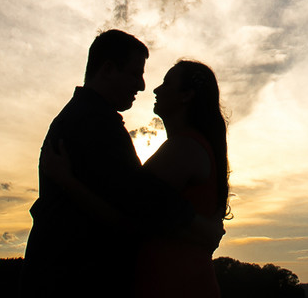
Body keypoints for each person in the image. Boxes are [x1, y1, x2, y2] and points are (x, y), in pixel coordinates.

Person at [21, 29, 198, 295]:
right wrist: (197, 221)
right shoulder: (93, 123)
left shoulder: (86, 117)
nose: (141, 85)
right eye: (135, 73)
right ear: (107, 69)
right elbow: (137, 197)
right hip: (77, 279)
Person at [138, 60, 230, 297]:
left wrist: (68, 181)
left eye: (166, 83)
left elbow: (128, 207)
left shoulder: (184, 148)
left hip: (175, 283)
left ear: (186, 95)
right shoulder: (193, 146)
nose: (156, 90)